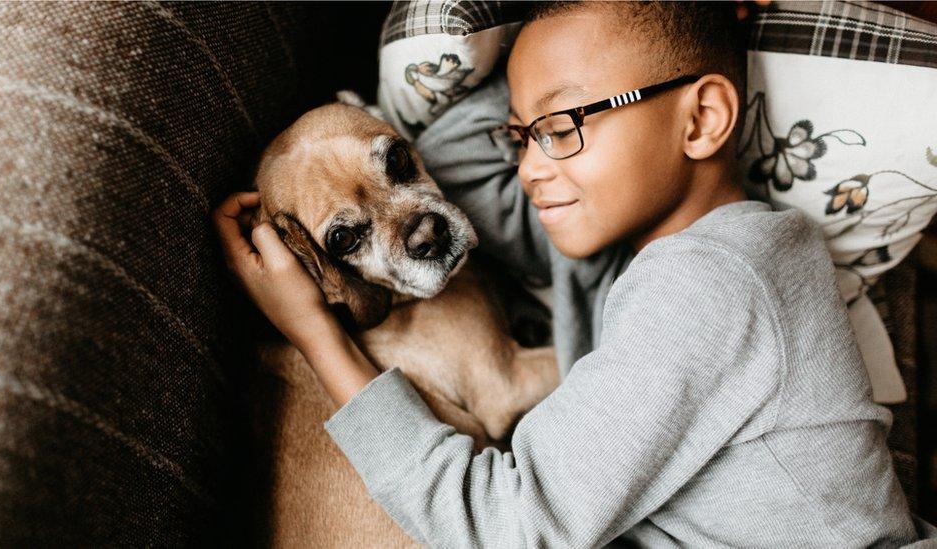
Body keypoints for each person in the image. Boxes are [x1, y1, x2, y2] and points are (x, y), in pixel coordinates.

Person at [214, 2, 922, 546]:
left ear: (703, 117)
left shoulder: (715, 283)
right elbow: (458, 145)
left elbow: (509, 526)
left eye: (560, 129)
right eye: (520, 137)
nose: (526, 168)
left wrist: (313, 330)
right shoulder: (635, 254)